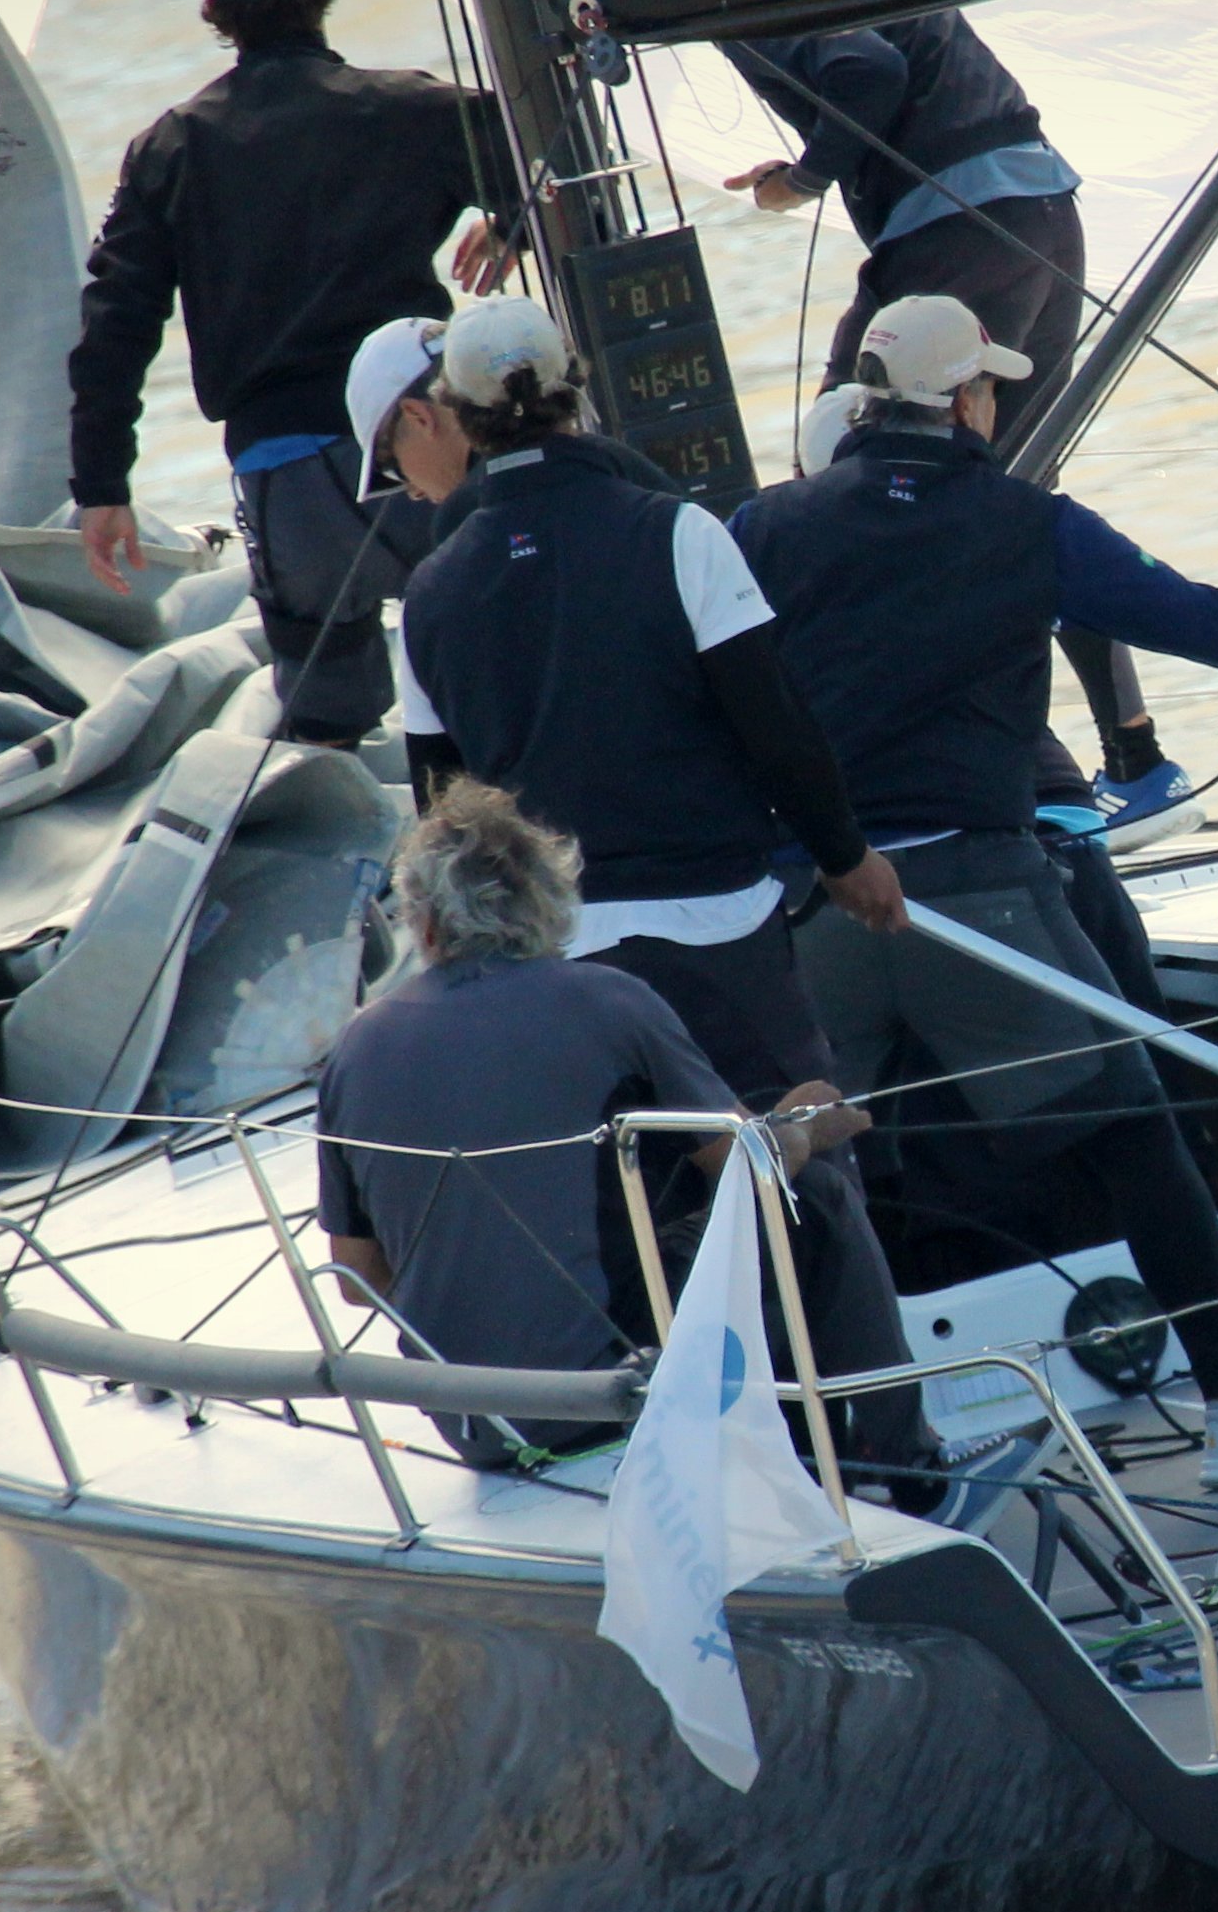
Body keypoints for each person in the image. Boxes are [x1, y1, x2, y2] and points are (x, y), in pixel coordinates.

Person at [733, 295, 1218, 1491]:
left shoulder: (763, 525)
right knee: (1135, 1133)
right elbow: (1202, 622)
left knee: (808, 1170)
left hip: (815, 906)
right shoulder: (1025, 522)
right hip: (975, 893)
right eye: (990, 388)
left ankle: (824, 1465)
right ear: (965, 399)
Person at [374, 298, 1001, 1505]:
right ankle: (891, 1460)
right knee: (801, 1165)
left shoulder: (431, 593)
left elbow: (442, 809)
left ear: (456, 416)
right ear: (576, 389)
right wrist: (846, 857)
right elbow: (775, 723)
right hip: (714, 925)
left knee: (632, 1211)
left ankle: (708, 1478)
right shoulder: (675, 532)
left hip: (555, 956)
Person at [317, 782, 1033, 1527]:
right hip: (609, 1390)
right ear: (549, 901)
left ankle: (801, 1457)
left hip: (475, 1423)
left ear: (424, 921)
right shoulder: (607, 1000)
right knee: (811, 1199)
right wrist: (804, 1126)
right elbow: (746, 1171)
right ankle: (910, 1471)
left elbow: (358, 1275)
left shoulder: (355, 1048)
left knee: (661, 1229)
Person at [64, 0, 515, 742]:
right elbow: (549, 145)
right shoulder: (410, 108)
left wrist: (101, 486)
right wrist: (512, 223)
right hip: (426, 443)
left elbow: (113, 327)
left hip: (289, 482)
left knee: (328, 724)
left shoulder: (170, 149)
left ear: (216, 15)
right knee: (508, 664)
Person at [721, 10, 1180, 829]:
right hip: (1042, 213)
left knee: (850, 484)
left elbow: (866, 68)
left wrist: (806, 180)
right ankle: (1135, 765)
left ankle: (1019, 787)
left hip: (958, 229)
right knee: (1011, 497)